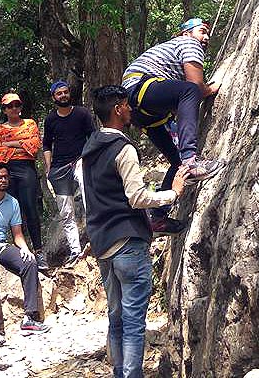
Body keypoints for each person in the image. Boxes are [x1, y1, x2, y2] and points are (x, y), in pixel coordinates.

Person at [76, 86, 192, 378]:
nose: (131, 110)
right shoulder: (123, 148)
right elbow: (137, 197)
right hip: (128, 239)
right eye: (127, 105)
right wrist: (173, 193)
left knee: (116, 316)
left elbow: (91, 199)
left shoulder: (88, 151)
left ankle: (120, 372)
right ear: (118, 109)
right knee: (133, 321)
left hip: (102, 242)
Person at [121, 18, 225, 235]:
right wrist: (209, 89)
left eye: (207, 33)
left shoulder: (173, 50)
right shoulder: (188, 43)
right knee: (189, 90)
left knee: (177, 162)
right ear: (186, 33)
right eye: (202, 31)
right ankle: (192, 161)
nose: (206, 37)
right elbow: (196, 86)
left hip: (140, 108)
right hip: (141, 87)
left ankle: (157, 218)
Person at [0, 163, 51, 349]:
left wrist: (25, 249)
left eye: (6, 177)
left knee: (29, 262)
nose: (3, 180)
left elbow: (17, 234)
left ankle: (30, 318)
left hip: (1, 244)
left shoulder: (12, 202)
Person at [0, 92, 46, 270]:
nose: (13, 108)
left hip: (26, 168)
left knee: (30, 208)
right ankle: (16, 251)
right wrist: (22, 143)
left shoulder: (30, 124)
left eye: (16, 105)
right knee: (12, 209)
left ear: (21, 107)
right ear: (4, 110)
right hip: (6, 170)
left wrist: (9, 144)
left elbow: (34, 147)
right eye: (9, 106)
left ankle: (38, 250)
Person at [42, 80, 95, 265]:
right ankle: (75, 250)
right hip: (59, 167)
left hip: (81, 161)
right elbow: (47, 144)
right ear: (53, 97)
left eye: (65, 92)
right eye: (59, 93)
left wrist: (90, 158)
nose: (63, 95)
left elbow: (93, 136)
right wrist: (48, 167)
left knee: (89, 201)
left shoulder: (82, 113)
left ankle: (96, 240)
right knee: (66, 210)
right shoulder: (50, 120)